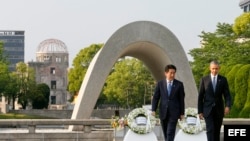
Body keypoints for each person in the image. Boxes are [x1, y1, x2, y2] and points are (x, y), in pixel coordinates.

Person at [198, 60, 231, 141]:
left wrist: (227, 106)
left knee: (216, 131)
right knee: (210, 130)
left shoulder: (223, 80)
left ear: (219, 68)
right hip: (207, 110)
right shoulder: (204, 79)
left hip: (219, 110)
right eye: (213, 69)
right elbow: (200, 96)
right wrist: (200, 111)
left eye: (216, 69)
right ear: (210, 68)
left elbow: (227, 95)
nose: (214, 70)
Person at [151, 64, 185, 141]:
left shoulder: (179, 84)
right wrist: (153, 110)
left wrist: (182, 113)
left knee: (170, 132)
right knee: (166, 133)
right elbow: (156, 97)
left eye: (174, 73)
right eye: (171, 73)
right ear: (165, 73)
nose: (172, 75)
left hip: (174, 113)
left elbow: (181, 99)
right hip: (163, 112)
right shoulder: (160, 84)